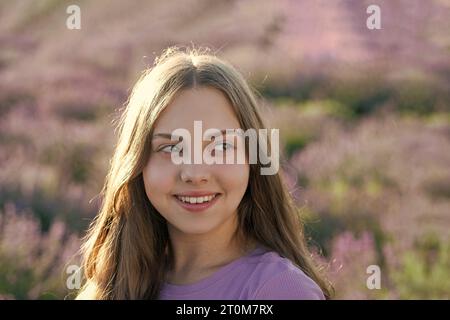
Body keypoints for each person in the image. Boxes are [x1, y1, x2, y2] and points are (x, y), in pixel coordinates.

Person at [76, 46, 332, 299]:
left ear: (252, 159)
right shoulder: (113, 283)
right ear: (138, 163)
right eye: (171, 148)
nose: (195, 173)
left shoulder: (280, 290)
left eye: (221, 146)